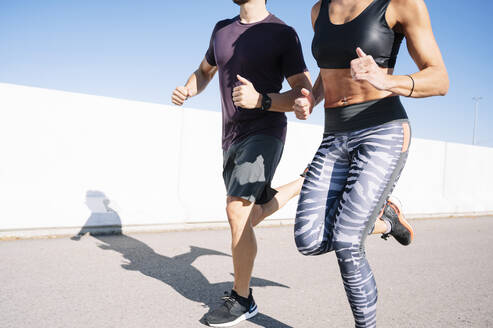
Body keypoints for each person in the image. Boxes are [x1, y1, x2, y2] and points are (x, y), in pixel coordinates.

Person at [292, 0, 449, 327]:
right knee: (308, 239)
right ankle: (387, 219)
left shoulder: (400, 4)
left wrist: (386, 80)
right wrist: (312, 97)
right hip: (335, 135)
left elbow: (439, 79)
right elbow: (328, 70)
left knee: (348, 242)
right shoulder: (318, 11)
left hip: (382, 130)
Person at [172, 0, 312, 326]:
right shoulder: (221, 30)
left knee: (236, 208)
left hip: (265, 130)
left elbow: (304, 92)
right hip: (230, 137)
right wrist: (189, 89)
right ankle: (304, 182)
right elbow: (205, 71)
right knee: (250, 214)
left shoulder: (282, 33)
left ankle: (242, 299)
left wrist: (261, 100)